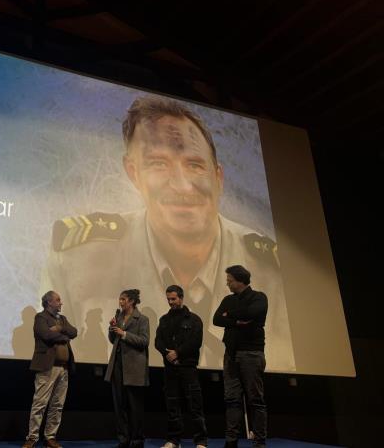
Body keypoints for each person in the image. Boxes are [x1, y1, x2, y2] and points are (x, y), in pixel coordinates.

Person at [43, 95, 294, 371]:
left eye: (195, 165)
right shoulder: (77, 260)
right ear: (133, 173)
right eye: (158, 164)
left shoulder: (275, 272)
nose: (182, 186)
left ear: (218, 177)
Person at [213, 265, 268, 448]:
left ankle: (259, 442)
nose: (227, 284)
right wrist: (238, 321)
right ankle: (231, 441)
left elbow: (252, 313)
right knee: (232, 399)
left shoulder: (259, 297)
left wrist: (230, 315)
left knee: (255, 399)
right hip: (231, 354)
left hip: (251, 353)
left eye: (230, 281)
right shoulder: (228, 299)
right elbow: (216, 319)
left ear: (240, 281)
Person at [22, 291, 78, 448]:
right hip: (47, 367)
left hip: (63, 368)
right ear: (49, 302)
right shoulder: (40, 318)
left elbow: (74, 332)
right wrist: (64, 335)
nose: (61, 303)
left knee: (57, 405)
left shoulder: (62, 319)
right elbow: (46, 335)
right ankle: (32, 437)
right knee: (40, 403)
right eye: (58, 300)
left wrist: (58, 328)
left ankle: (50, 437)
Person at [155, 285, 207, 448]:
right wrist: (167, 354)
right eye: (168, 299)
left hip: (188, 368)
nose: (171, 302)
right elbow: (158, 341)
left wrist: (178, 353)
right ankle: (173, 440)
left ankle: (201, 441)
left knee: (195, 405)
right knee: (172, 406)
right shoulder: (164, 320)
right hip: (170, 369)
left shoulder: (194, 319)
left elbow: (196, 342)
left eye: (174, 299)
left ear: (181, 298)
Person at [105, 289, 150, 448]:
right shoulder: (119, 317)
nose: (120, 302)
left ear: (131, 301)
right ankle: (123, 439)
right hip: (117, 366)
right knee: (120, 405)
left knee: (134, 406)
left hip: (134, 368)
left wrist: (124, 334)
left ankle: (136, 440)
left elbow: (144, 341)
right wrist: (112, 329)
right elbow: (113, 340)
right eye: (120, 299)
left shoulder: (142, 319)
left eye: (123, 299)